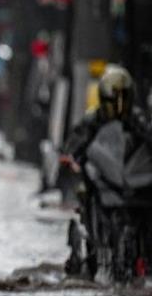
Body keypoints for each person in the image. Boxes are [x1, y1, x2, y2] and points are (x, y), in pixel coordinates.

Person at [60, 65, 152, 273]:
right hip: (103, 176)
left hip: (132, 176)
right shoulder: (92, 120)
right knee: (85, 189)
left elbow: (148, 135)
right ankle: (92, 244)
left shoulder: (137, 118)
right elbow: (75, 143)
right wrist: (71, 158)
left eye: (123, 98)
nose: (118, 105)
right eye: (113, 99)